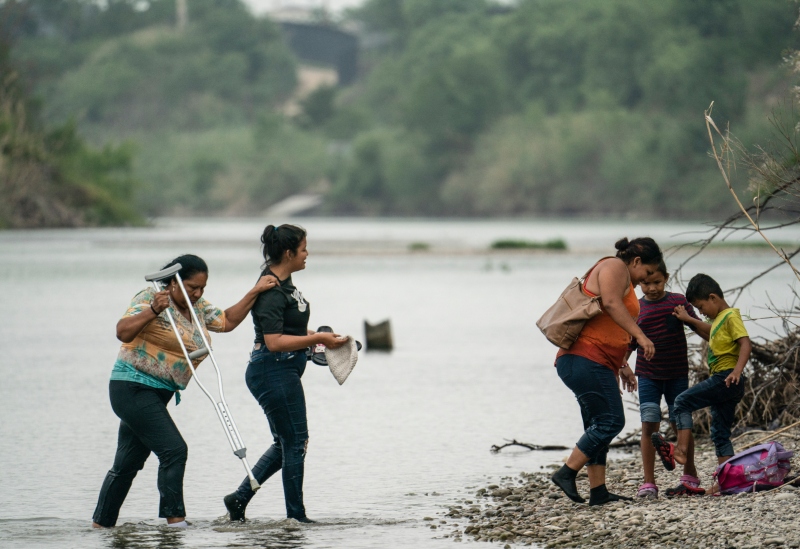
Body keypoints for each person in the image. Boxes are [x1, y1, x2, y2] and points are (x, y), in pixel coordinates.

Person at [92, 254, 277, 528]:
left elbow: (226, 321)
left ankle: (100, 526)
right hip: (131, 387)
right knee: (174, 451)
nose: (198, 293)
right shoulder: (151, 297)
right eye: (193, 287)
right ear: (175, 283)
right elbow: (122, 332)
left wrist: (256, 291)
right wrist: (154, 310)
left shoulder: (198, 306)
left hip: (158, 393)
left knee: (127, 464)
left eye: (202, 288)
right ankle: (175, 523)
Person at [223, 224, 347, 523]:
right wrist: (317, 340)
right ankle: (296, 518)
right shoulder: (271, 289)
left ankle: (239, 499)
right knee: (296, 442)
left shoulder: (286, 283)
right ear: (289, 252)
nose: (307, 254)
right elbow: (273, 341)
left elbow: (287, 329)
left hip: (283, 369)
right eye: (304, 249)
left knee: (285, 443)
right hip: (271, 369)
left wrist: (318, 335)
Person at [550, 237, 662, 506]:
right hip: (583, 359)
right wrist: (642, 336)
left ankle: (598, 491)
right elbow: (612, 305)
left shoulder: (624, 276)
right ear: (636, 261)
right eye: (646, 273)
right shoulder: (614, 266)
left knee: (598, 423)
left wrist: (622, 364)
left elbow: (609, 325)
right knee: (612, 421)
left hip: (595, 361)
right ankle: (566, 473)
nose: (644, 281)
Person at [653, 273, 751, 493]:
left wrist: (737, 370)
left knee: (682, 402)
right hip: (728, 383)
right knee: (719, 432)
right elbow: (710, 334)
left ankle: (681, 450)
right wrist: (688, 320)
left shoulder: (730, 317)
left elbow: (746, 343)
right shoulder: (719, 321)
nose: (701, 313)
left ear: (713, 297)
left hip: (726, 377)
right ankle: (727, 482)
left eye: (700, 307)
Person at [624, 261, 710, 499]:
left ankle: (690, 475)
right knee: (649, 423)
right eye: (645, 283)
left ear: (667, 278)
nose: (651, 288)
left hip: (677, 374)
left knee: (680, 421)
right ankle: (649, 483)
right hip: (648, 375)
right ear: (638, 282)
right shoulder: (635, 309)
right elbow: (629, 344)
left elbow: (707, 332)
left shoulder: (677, 302)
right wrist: (624, 367)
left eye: (657, 282)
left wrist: (688, 318)